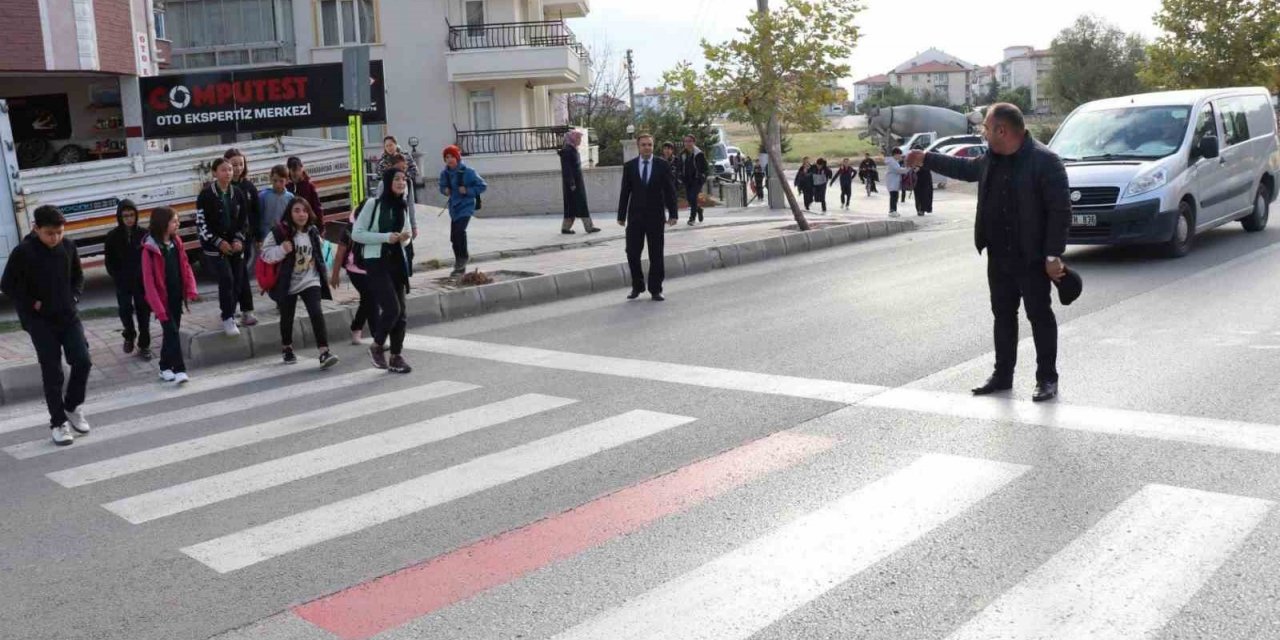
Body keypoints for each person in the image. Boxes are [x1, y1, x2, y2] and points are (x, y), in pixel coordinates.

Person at [906, 102, 1071, 402]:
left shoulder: (1046, 162)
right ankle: (1002, 375)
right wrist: (925, 158)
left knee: (1039, 317)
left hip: (1032, 259)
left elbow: (1060, 212)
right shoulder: (992, 159)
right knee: (1003, 316)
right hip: (999, 256)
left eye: (985, 127)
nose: (983, 133)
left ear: (1002, 130)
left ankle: (1047, 378)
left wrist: (1052, 256)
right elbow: (964, 168)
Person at [1, 205, 92, 445]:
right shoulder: (24, 252)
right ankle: (58, 423)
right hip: (40, 322)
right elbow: (7, 284)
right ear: (36, 229)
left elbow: (78, 277)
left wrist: (74, 297)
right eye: (50, 233)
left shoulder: (68, 246)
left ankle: (72, 406)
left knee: (82, 360)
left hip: (68, 315)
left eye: (59, 232)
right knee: (53, 371)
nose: (55, 238)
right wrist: (33, 303)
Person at [261, 199, 340, 369]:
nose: (301, 214)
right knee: (287, 317)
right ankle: (287, 347)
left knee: (316, 312)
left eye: (304, 210)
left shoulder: (312, 231)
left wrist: (329, 272)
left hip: (310, 279)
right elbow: (265, 255)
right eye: (297, 210)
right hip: (287, 282)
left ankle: (324, 352)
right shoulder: (279, 232)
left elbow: (320, 253)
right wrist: (282, 249)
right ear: (290, 213)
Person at [353, 168, 414, 374]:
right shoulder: (373, 204)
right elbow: (357, 233)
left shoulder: (402, 206)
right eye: (397, 179)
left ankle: (396, 356)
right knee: (392, 308)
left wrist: (405, 238)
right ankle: (377, 346)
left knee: (402, 314)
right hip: (376, 261)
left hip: (397, 261)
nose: (401, 182)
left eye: (404, 180)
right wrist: (386, 237)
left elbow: (407, 235)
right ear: (388, 182)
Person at [197, 157, 255, 336]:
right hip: (215, 247)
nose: (228, 173)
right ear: (214, 173)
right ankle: (227, 318)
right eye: (223, 170)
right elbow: (201, 224)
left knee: (238, 280)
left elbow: (244, 221)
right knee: (226, 279)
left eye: (230, 169)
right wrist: (218, 242)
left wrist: (238, 239)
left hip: (235, 246)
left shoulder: (237, 193)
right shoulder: (205, 195)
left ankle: (234, 311)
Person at [617, 133, 678, 301]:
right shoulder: (629, 166)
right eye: (643, 144)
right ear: (638, 146)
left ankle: (656, 289)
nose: (647, 147)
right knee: (632, 252)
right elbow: (625, 192)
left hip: (656, 217)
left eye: (649, 144)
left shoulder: (662, 165)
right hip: (635, 217)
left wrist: (673, 214)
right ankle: (637, 286)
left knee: (656, 254)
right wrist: (621, 215)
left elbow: (670, 191)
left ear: (653, 146)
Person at [141, 206, 198, 385]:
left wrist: (190, 289)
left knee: (170, 333)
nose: (177, 223)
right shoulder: (149, 250)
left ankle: (164, 367)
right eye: (174, 221)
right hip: (161, 301)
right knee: (172, 332)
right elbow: (149, 283)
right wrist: (158, 308)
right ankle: (179, 369)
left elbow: (185, 266)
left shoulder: (177, 243)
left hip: (176, 296)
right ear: (162, 224)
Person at [103, 199, 151, 360]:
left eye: (132, 215)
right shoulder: (112, 236)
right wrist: (117, 276)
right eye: (125, 216)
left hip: (141, 282)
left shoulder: (144, 234)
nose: (129, 219)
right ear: (120, 217)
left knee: (143, 312)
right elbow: (109, 261)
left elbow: (151, 257)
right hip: (123, 281)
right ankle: (129, 335)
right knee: (125, 310)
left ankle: (144, 345)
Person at [439, 145, 487, 277]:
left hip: (466, 206)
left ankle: (463, 258)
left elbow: (482, 185)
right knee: (454, 237)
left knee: (460, 231)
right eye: (446, 157)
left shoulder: (468, 171)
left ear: (457, 157)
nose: (449, 159)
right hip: (454, 208)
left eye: (452, 156)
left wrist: (467, 190)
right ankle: (459, 265)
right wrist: (445, 191)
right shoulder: (445, 174)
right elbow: (442, 187)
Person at [224, 149, 262, 318]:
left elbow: (256, 212)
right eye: (233, 165)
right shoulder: (223, 189)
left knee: (242, 274)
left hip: (245, 238)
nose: (238, 168)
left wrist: (258, 236)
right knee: (230, 278)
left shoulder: (249, 187)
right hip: (225, 240)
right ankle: (229, 311)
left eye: (240, 164)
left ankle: (247, 310)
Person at [331, 208, 375, 345]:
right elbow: (340, 253)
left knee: (369, 300)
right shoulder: (349, 230)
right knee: (370, 298)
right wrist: (335, 275)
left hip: (373, 269)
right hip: (354, 269)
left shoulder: (377, 226)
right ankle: (376, 336)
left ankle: (357, 327)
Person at [558, 130, 599, 235]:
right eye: (578, 138)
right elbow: (567, 169)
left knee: (573, 206)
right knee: (579, 204)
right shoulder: (567, 151)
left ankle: (566, 228)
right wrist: (571, 183)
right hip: (573, 184)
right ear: (572, 139)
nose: (580, 140)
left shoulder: (572, 149)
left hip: (575, 183)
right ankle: (588, 227)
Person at [257, 165, 294, 253]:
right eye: (275, 180)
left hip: (283, 235)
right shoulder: (263, 196)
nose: (277, 184)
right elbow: (259, 216)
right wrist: (259, 237)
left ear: (287, 181)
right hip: (266, 234)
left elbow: (291, 218)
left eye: (281, 181)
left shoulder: (290, 197)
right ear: (270, 179)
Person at [679, 135, 708, 225]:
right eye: (686, 141)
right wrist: (680, 176)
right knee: (690, 199)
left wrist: (702, 176)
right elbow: (680, 166)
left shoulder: (699, 154)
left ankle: (692, 218)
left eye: (690, 141)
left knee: (692, 197)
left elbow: (705, 167)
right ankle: (699, 210)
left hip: (697, 179)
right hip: (687, 180)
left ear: (694, 142)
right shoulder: (682, 154)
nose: (688, 143)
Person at [884, 148, 911, 217]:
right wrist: (908, 168)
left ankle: (894, 210)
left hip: (893, 182)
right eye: (899, 155)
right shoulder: (892, 162)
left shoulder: (894, 161)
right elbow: (899, 170)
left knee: (895, 196)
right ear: (895, 154)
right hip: (892, 182)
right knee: (893, 196)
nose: (900, 156)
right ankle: (892, 210)